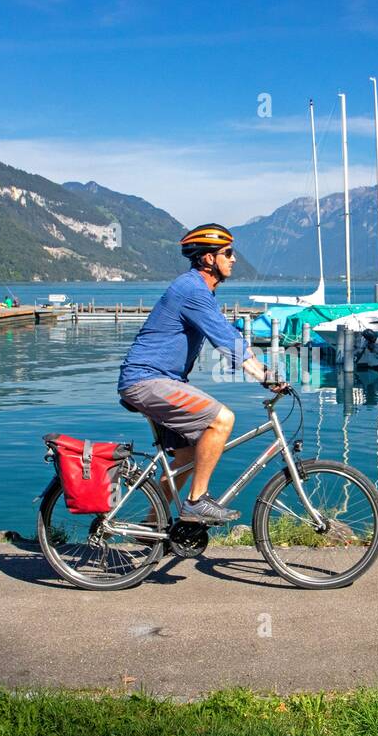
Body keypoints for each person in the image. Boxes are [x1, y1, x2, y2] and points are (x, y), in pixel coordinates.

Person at [117, 223, 286, 525]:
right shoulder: (192, 290)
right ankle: (195, 503)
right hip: (147, 380)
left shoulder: (199, 291)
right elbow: (226, 340)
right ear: (208, 259)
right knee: (222, 419)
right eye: (228, 253)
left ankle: (149, 525)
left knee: (186, 459)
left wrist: (262, 371)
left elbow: (227, 336)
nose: (234, 259)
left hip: (159, 380)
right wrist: (265, 376)